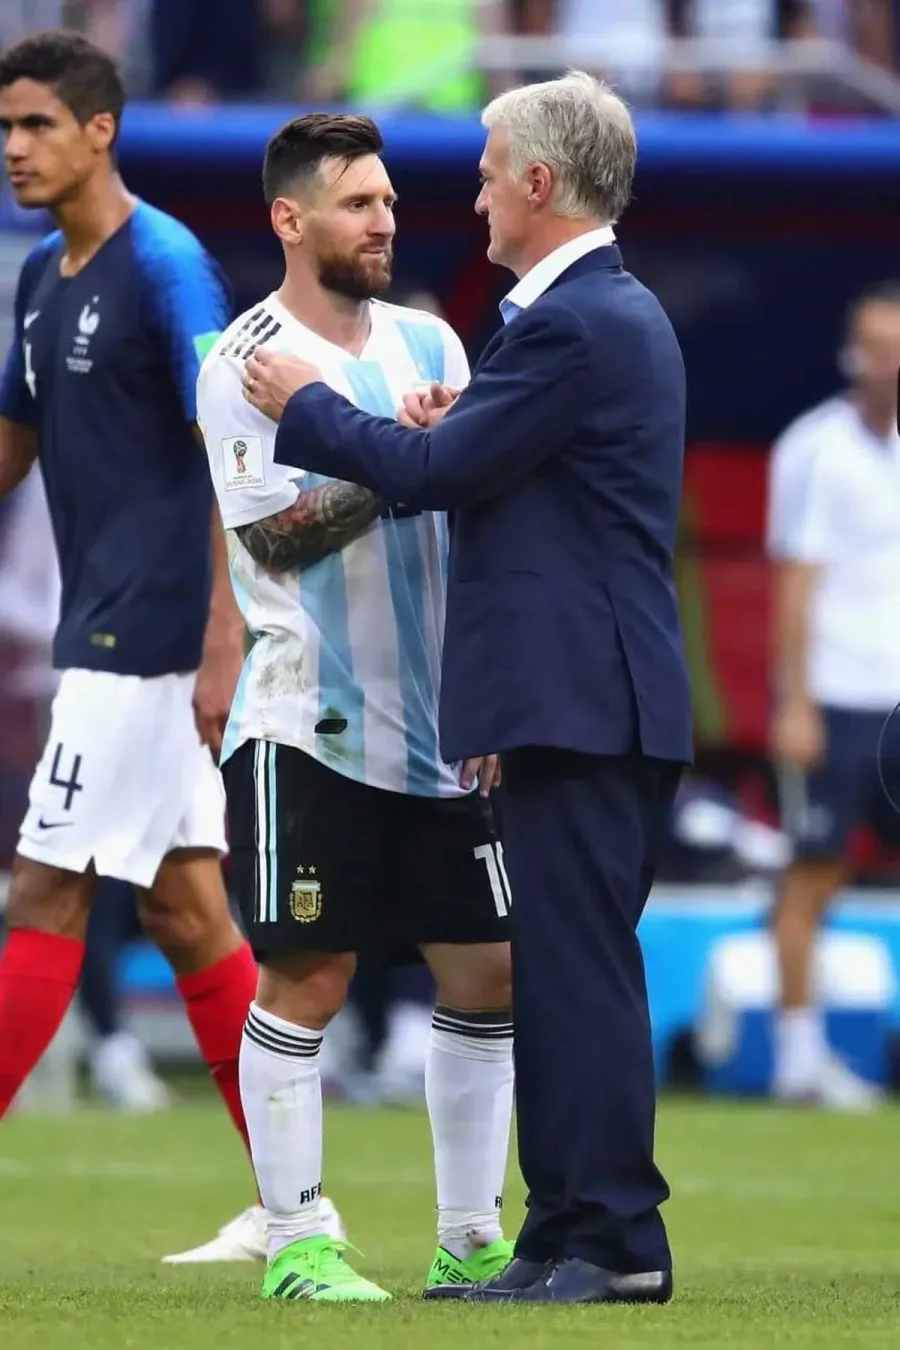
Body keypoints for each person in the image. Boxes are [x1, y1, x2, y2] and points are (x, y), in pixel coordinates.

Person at [244, 72, 692, 1306]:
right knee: (555, 969)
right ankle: (555, 1234)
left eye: (491, 171)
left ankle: (614, 1241)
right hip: (574, 697)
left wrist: (315, 407)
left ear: (539, 185)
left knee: (580, 974)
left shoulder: (572, 320)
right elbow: (501, 466)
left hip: (584, 698)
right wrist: (464, 421)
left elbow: (441, 474)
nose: (476, 193)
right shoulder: (581, 318)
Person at [0, 30, 344, 1260]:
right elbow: (13, 445)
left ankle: (297, 1203)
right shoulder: (44, 275)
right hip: (102, 626)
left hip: (142, 638)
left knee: (43, 889)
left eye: (36, 125)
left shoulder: (168, 267)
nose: (14, 149)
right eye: (5, 129)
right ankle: (294, 1199)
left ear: (101, 130)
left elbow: (232, 448)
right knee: (191, 913)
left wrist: (221, 632)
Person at [195, 112, 515, 1304]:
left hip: (437, 721)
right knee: (310, 974)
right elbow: (270, 537)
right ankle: (296, 1242)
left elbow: (472, 504)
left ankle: (470, 1236)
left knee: (490, 971)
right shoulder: (246, 360)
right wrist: (390, 461)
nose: (385, 221)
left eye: (388, 201)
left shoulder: (434, 337)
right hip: (303, 721)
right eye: (358, 204)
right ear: (292, 219)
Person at [765, 282, 900, 1111]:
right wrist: (796, 702)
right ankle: (796, 1055)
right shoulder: (815, 448)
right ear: (856, 355)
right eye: (879, 348)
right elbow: (795, 586)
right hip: (837, 697)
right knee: (813, 874)